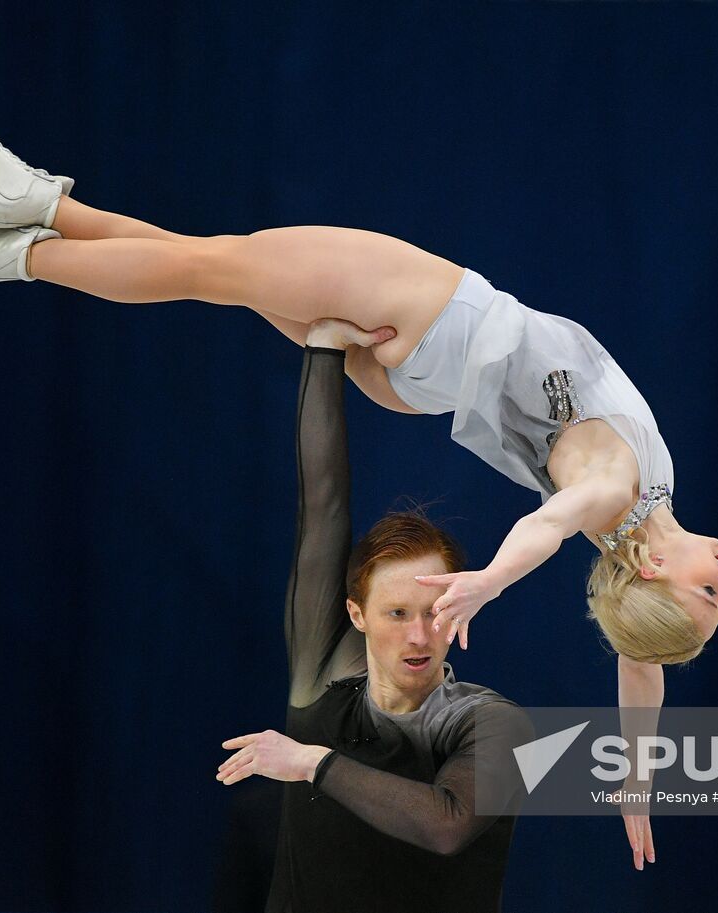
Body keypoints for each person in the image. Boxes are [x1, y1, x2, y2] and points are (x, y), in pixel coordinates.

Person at [0, 109, 718, 865]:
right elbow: (642, 668)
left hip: (436, 316)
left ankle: (12, 248)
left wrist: (487, 581)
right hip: (421, 374)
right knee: (215, 268)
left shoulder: (614, 490)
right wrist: (637, 779)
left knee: (209, 264)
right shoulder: (641, 523)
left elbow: (548, 524)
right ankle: (21, 212)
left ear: (660, 575)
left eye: (711, 592)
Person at [216, 318, 531, 912]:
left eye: (434, 610)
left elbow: (447, 824)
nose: (419, 635)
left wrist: (313, 762)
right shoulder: (324, 672)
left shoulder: (496, 725)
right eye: (395, 613)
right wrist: (324, 347)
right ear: (355, 615)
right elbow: (323, 505)